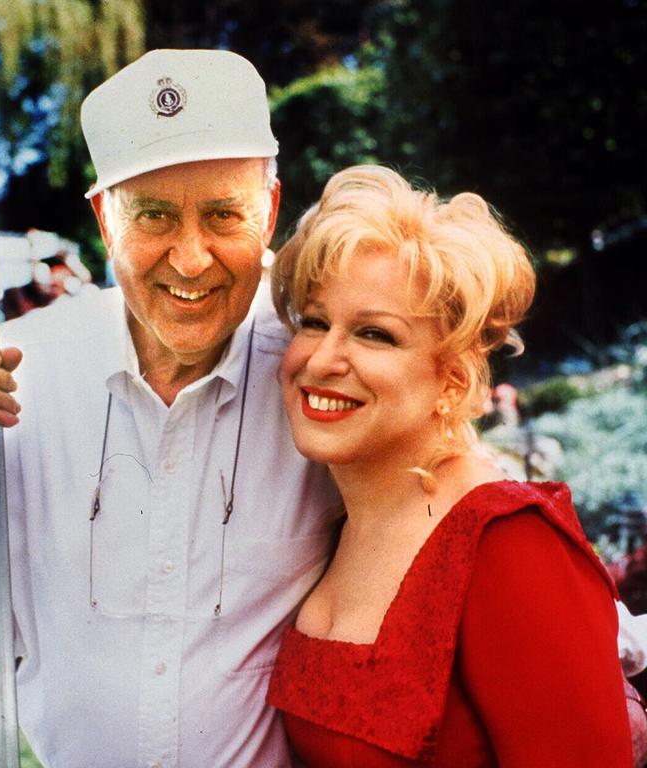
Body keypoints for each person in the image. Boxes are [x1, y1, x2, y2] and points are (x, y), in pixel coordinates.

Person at [0, 49, 341, 767]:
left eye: (225, 215)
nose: (191, 259)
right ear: (103, 221)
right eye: (153, 216)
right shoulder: (15, 378)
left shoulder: (320, 377)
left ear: (271, 211)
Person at [265, 165, 633, 765]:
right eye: (313, 322)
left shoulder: (508, 543)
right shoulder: (337, 522)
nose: (322, 359)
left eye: (374, 335)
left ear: (453, 377)